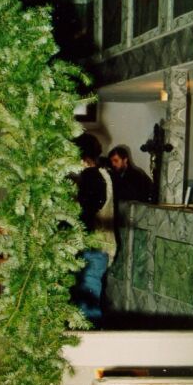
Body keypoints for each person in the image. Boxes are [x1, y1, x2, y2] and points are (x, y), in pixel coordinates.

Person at [72, 133, 117, 327]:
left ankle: (90, 351)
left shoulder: (92, 177)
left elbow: (83, 213)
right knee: (85, 303)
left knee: (87, 306)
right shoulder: (101, 175)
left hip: (92, 248)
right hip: (98, 246)